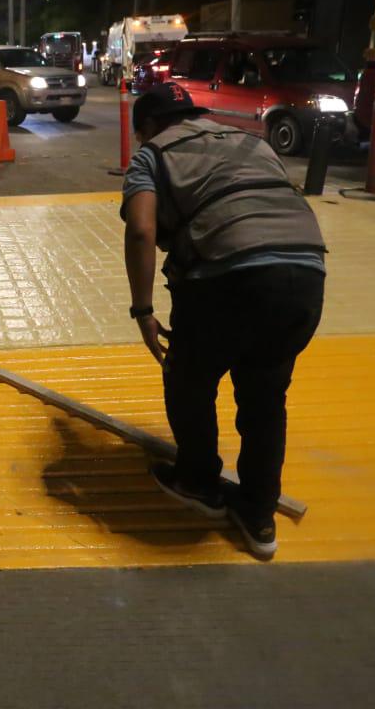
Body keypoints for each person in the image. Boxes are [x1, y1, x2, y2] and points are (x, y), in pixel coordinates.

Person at [119, 82, 326, 559]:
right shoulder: (252, 141)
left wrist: (143, 310)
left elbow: (142, 230)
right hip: (306, 274)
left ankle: (198, 483)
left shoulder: (152, 154)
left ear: (147, 126)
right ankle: (258, 516)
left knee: (189, 378)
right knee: (265, 397)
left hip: (226, 276)